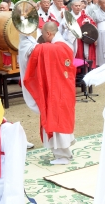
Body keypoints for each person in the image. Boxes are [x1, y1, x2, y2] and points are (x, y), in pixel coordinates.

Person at [19, 22, 76, 165]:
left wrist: (24, 39)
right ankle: (66, 153)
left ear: (49, 34)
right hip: (64, 88)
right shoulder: (65, 45)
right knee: (62, 117)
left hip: (56, 91)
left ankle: (62, 156)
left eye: (43, 35)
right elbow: (39, 49)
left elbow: (32, 51)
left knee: (55, 119)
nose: (43, 39)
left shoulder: (53, 48)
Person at [59, 0, 96, 65]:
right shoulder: (68, 16)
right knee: (72, 55)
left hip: (82, 40)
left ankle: (83, 71)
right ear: (72, 6)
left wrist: (88, 23)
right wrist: (66, 26)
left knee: (82, 55)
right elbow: (61, 27)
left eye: (79, 6)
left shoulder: (85, 16)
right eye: (76, 6)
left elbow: (92, 25)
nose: (78, 7)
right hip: (72, 39)